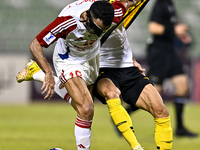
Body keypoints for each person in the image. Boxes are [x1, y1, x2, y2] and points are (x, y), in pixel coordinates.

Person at [17, 1, 173, 150]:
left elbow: (129, 4)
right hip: (69, 59)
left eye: (101, 31)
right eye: (94, 28)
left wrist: (130, 59)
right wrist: (49, 72)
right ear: (86, 16)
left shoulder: (115, 12)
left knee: (83, 103)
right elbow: (35, 44)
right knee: (86, 109)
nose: (96, 33)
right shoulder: (68, 22)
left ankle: (36, 74)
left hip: (92, 58)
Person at [145, 0, 197, 137]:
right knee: (155, 92)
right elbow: (153, 28)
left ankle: (180, 128)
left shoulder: (169, 3)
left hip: (170, 52)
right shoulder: (160, 3)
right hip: (159, 53)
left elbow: (168, 27)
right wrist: (175, 30)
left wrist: (179, 34)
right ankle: (125, 114)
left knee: (182, 86)